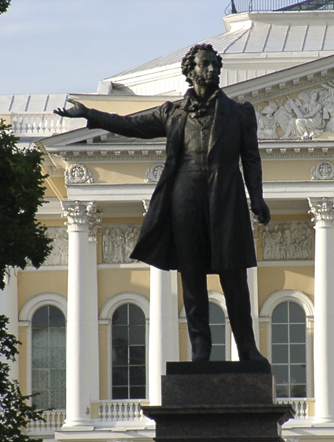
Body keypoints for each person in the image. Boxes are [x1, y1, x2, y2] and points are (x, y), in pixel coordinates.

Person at [55, 44, 270, 363]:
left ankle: (247, 348)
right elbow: (129, 125)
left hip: (226, 199)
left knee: (235, 279)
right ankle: (201, 348)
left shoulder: (240, 113)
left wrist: (257, 198)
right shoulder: (172, 113)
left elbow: (251, 159)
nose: (211, 69)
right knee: (192, 277)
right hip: (186, 199)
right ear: (191, 70)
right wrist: (90, 114)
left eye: (214, 64)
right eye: (205, 64)